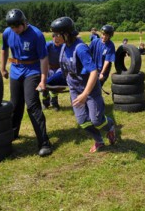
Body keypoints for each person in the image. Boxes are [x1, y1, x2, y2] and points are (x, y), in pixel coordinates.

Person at [50, 17, 116, 153]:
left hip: (90, 89)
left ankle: (110, 126)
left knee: (97, 120)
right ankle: (99, 140)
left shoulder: (80, 49)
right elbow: (65, 70)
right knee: (82, 120)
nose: (54, 38)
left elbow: (93, 72)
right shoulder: (63, 47)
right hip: (75, 87)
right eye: (53, 34)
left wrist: (85, 94)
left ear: (66, 34)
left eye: (57, 34)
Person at [1, 9, 52, 157]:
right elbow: (4, 49)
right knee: (15, 104)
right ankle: (13, 134)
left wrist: (43, 80)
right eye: (12, 27)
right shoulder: (7, 33)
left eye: (17, 27)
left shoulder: (36, 34)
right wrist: (3, 67)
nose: (15, 30)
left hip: (33, 70)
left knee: (32, 105)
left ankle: (44, 143)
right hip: (16, 70)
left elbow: (43, 58)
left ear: (24, 23)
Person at [41, 33, 66, 111]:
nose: (57, 40)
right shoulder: (48, 45)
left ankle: (55, 103)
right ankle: (45, 103)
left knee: (54, 87)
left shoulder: (63, 46)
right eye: (56, 37)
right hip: (49, 68)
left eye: (59, 37)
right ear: (53, 37)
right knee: (45, 87)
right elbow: (43, 57)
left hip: (59, 68)